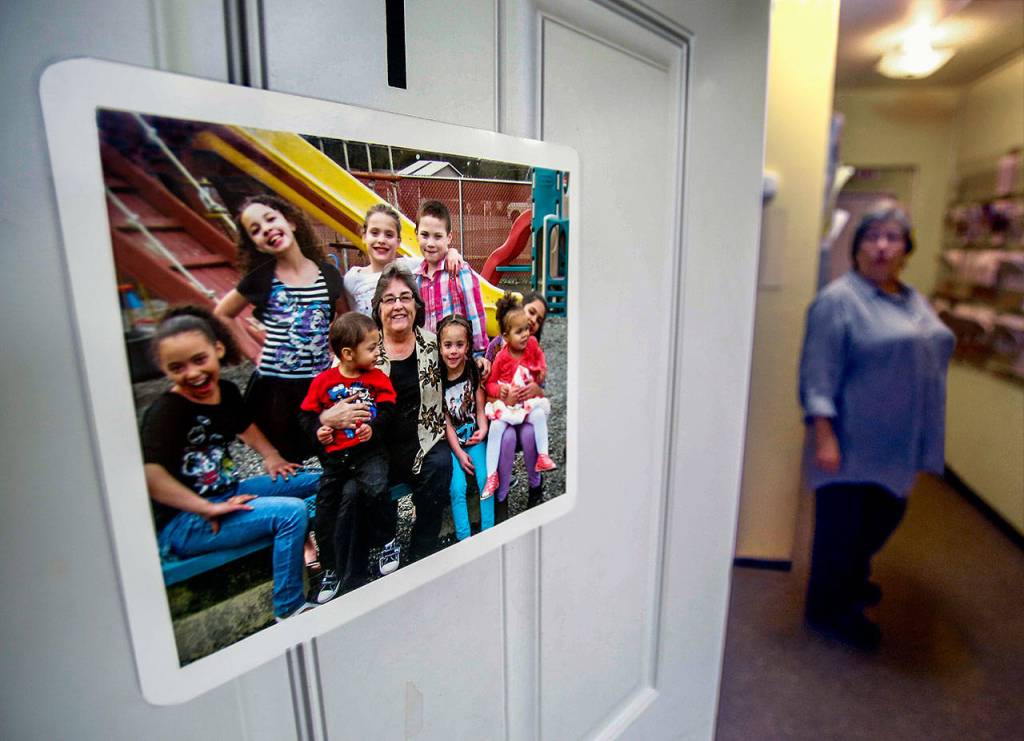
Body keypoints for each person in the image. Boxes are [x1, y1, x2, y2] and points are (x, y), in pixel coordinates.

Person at [799, 204, 955, 648]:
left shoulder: (910, 298)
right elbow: (818, 373)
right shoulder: (838, 301)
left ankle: (852, 580)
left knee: (883, 517)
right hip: (851, 440)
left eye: (893, 237)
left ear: (907, 248)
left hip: (899, 440)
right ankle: (829, 610)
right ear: (857, 246)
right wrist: (824, 437)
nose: (883, 246)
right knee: (842, 531)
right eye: (873, 236)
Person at [141, 306, 319, 622]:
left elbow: (244, 426)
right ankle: (289, 608)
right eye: (177, 367)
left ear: (217, 349)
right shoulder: (166, 413)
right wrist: (205, 508)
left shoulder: (226, 391)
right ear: (164, 370)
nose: (193, 373)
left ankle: (309, 548)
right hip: (188, 520)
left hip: (231, 491)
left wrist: (271, 456)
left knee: (316, 479)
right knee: (291, 512)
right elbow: (150, 476)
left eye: (199, 360)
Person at [319, 264, 452, 567]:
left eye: (405, 298)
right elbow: (328, 390)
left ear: (416, 305)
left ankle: (422, 551)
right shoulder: (364, 348)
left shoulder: (432, 343)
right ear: (377, 308)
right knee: (353, 489)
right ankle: (369, 552)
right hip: (373, 446)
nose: (398, 306)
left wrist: (481, 366)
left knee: (440, 465)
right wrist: (328, 417)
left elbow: (459, 370)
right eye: (390, 300)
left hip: (422, 436)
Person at [214, 194, 346, 464]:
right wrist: (254, 352)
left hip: (318, 382)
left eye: (270, 219)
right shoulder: (262, 279)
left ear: (291, 222)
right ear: (257, 245)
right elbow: (223, 314)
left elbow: (345, 318)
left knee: (331, 450)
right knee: (288, 458)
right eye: (256, 231)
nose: (266, 229)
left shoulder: (328, 275)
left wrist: (337, 357)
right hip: (277, 386)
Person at [299, 312, 395, 602]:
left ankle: (387, 541)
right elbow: (305, 416)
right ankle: (330, 568)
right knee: (325, 510)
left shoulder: (377, 379)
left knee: (378, 489)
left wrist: (373, 429)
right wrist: (318, 430)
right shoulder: (322, 383)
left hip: (369, 453)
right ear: (347, 354)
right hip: (336, 460)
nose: (378, 351)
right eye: (372, 347)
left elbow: (389, 411)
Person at [481, 295, 557, 500]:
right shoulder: (497, 349)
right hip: (504, 412)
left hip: (524, 412)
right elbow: (488, 386)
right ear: (520, 308)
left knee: (529, 433)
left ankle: (535, 487)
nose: (533, 320)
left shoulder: (532, 347)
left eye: (538, 319)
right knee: (507, 438)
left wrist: (536, 389)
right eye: (531, 312)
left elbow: (541, 390)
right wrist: (502, 394)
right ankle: (501, 496)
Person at [344, 203, 461, 316]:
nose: (381, 240)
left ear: (398, 241)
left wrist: (451, 252)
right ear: (364, 236)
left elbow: (437, 257)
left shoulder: (410, 267)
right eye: (375, 233)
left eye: (389, 235)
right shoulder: (353, 279)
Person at [438, 314, 493, 540]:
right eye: (448, 345)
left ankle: (489, 531)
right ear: (440, 347)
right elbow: (446, 423)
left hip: (474, 437)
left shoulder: (472, 370)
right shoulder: (438, 376)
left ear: (468, 346)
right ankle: (464, 537)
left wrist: (484, 430)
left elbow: (480, 409)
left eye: (459, 345)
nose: (453, 351)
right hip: (453, 445)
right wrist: (459, 454)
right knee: (457, 488)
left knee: (486, 480)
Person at [412, 200, 489, 355]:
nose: (430, 243)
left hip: (459, 356)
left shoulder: (458, 271)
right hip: (430, 359)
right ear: (416, 235)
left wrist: (479, 353)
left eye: (438, 236)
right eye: (425, 235)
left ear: (449, 238)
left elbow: (475, 313)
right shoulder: (416, 279)